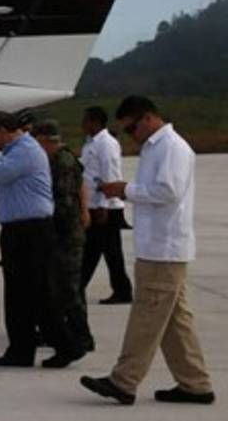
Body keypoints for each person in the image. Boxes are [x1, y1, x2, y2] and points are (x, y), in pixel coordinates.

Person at [81, 96, 216, 406]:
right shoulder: (157, 147)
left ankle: (123, 381)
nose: (131, 137)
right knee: (173, 322)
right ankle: (195, 384)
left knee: (146, 319)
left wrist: (124, 190)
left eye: (130, 130)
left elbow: (168, 191)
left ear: (146, 119)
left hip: (163, 249)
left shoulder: (172, 147)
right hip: (158, 248)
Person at [0, 111, 84, 369]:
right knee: (20, 294)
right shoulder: (17, 149)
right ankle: (21, 349)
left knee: (36, 292)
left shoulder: (25, 150)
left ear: (4, 129)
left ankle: (67, 345)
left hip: (31, 231)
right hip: (20, 230)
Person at [34, 120, 94, 354]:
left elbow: (65, 202)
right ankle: (63, 332)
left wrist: (46, 220)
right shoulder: (58, 159)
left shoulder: (62, 162)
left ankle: (82, 335)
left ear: (46, 141)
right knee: (58, 287)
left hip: (66, 234)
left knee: (68, 288)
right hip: (63, 232)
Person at [79, 106, 133, 305]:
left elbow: (109, 173)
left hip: (104, 207)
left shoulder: (106, 144)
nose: (82, 124)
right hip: (96, 204)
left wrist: (103, 204)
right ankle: (122, 290)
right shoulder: (91, 143)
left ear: (95, 121)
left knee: (92, 250)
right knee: (110, 252)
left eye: (85, 120)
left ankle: (77, 287)